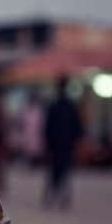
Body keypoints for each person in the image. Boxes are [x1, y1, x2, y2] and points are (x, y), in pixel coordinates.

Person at [43, 77, 83, 210]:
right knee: (64, 171)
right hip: (65, 145)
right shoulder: (69, 106)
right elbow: (77, 128)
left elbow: (48, 128)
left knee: (56, 171)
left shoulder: (54, 106)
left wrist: (47, 143)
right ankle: (62, 197)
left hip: (57, 144)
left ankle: (54, 196)